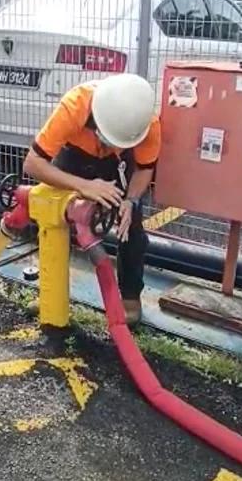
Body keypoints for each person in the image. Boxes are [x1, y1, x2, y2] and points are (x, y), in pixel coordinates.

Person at [23, 73, 161, 326]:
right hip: (75, 158)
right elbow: (32, 164)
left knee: (131, 228)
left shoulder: (146, 123)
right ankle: (49, 290)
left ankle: (130, 299)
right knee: (54, 218)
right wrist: (84, 187)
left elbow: (144, 168)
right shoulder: (75, 105)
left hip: (119, 166)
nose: (109, 143)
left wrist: (131, 201)